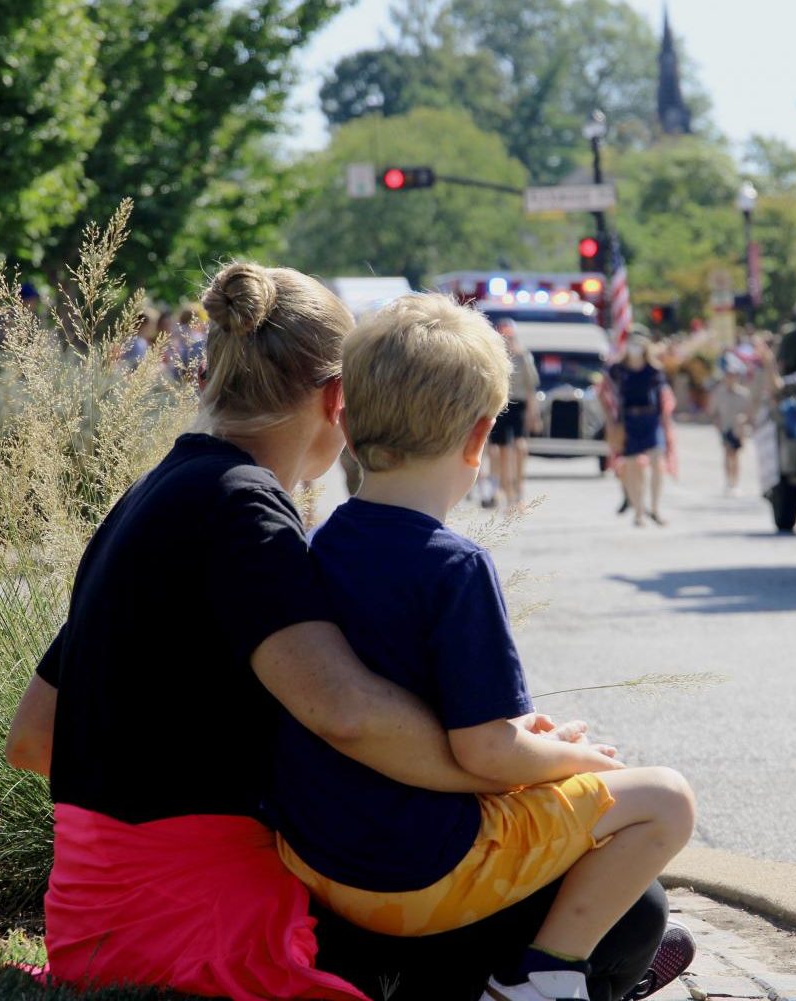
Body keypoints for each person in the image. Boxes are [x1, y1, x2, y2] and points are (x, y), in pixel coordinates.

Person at [3, 262, 681, 1001]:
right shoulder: (244, 510)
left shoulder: (153, 492)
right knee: (630, 916)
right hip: (200, 919)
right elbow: (349, 714)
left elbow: (33, 739)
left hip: (91, 912)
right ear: (338, 401)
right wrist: (505, 766)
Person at [271, 293, 695, 1001]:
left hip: (320, 863)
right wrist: (574, 757)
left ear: (344, 423)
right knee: (664, 799)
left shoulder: (313, 545)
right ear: (478, 439)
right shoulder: (456, 566)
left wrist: (531, 741)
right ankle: (543, 974)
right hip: (420, 871)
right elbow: (488, 753)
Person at [610, 336, 671, 527]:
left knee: (656, 463)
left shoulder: (653, 369)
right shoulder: (619, 369)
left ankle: (655, 508)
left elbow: (662, 395)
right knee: (631, 467)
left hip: (650, 419)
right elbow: (607, 384)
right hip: (628, 420)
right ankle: (638, 512)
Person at [488, 317, 541, 512]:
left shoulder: (522, 356)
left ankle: (519, 490)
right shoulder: (493, 356)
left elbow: (530, 388)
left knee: (520, 447)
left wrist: (533, 414)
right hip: (499, 405)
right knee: (500, 450)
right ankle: (503, 490)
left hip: (518, 405)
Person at [708, 356, 753, 495]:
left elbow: (749, 413)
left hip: (738, 430)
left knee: (736, 456)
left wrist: (743, 420)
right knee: (727, 454)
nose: (730, 378)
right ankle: (728, 482)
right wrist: (717, 425)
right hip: (725, 427)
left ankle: (735, 482)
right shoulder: (719, 393)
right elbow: (713, 412)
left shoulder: (743, 394)